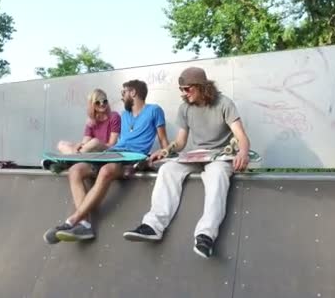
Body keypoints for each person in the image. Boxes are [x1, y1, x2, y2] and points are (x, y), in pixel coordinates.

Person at [123, 67, 251, 259]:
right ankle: (153, 226)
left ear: (202, 87)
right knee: (168, 168)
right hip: (196, 155)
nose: (183, 93)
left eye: (187, 89)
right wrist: (165, 151)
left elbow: (241, 135)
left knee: (217, 176)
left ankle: (205, 236)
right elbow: (181, 142)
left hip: (219, 156)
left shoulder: (224, 103)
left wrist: (243, 152)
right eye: (181, 89)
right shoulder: (185, 108)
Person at [44, 79, 169, 244]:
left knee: (106, 171)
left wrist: (159, 157)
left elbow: (164, 143)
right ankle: (84, 224)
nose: (122, 98)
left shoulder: (154, 110)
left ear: (133, 93)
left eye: (123, 93)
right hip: (112, 154)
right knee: (76, 170)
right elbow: (118, 142)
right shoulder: (125, 115)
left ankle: (71, 221)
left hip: (131, 157)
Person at [56, 89, 120, 154]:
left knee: (95, 142)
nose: (102, 104)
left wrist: (94, 144)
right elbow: (85, 142)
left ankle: (73, 155)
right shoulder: (91, 120)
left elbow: (112, 145)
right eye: (98, 102)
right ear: (92, 104)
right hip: (90, 150)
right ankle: (75, 154)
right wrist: (79, 146)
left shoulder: (114, 116)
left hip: (106, 150)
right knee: (61, 144)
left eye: (104, 101)